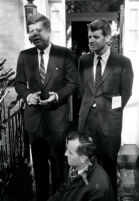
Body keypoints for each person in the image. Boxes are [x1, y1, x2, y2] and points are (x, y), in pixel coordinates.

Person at [15, 13, 78, 201]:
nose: (34, 34)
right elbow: (19, 84)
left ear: (48, 31)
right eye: (31, 30)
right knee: (40, 170)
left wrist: (57, 95)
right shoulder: (25, 56)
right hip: (35, 122)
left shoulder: (64, 54)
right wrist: (28, 96)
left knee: (58, 167)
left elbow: (73, 83)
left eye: (38, 30)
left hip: (57, 121)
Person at [78, 19, 133, 200]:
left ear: (108, 38)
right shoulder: (84, 60)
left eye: (96, 36)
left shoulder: (122, 62)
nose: (91, 40)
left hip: (110, 122)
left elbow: (126, 92)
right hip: (87, 122)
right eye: (89, 37)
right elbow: (82, 89)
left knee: (108, 167)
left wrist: (112, 111)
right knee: (86, 168)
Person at [47, 131, 114, 201]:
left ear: (83, 158)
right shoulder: (77, 166)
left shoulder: (98, 189)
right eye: (67, 149)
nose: (65, 154)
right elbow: (64, 190)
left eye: (70, 152)